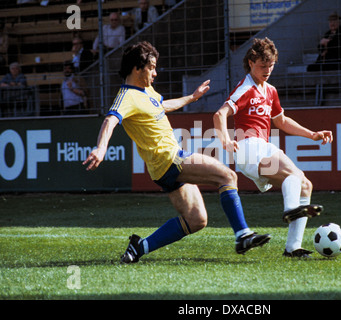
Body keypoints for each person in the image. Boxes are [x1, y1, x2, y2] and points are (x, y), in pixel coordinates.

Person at [83, 41, 271, 264]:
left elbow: (162, 105)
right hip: (170, 159)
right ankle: (242, 235)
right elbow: (110, 120)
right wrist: (101, 147)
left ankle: (139, 247)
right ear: (137, 68)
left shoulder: (145, 90)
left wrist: (192, 97)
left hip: (162, 169)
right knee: (227, 176)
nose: (155, 72)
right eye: (151, 67)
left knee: (196, 219)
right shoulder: (127, 96)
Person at [214, 38, 333, 259]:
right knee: (294, 176)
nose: (267, 70)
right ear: (251, 62)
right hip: (248, 148)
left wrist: (312, 134)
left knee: (305, 185)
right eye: (262, 65)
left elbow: (281, 121)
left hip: (264, 147)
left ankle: (292, 248)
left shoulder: (270, 91)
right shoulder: (245, 88)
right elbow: (219, 114)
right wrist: (225, 140)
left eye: (271, 65)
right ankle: (290, 210)